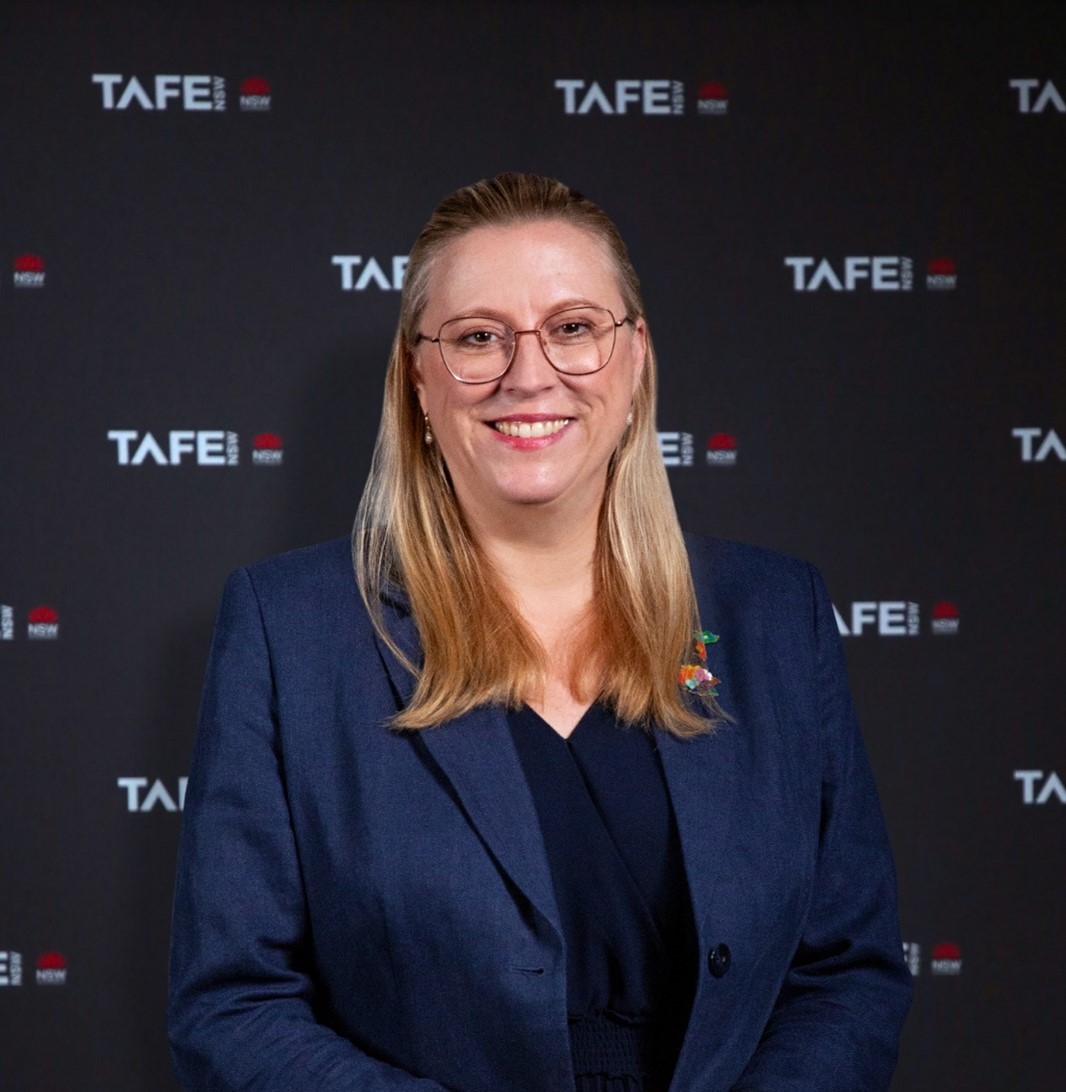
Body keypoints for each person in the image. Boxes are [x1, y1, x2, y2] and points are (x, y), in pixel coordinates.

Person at [168, 172, 912, 1091]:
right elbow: (233, 1006)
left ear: (636, 360)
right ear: (419, 379)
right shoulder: (292, 631)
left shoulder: (776, 615)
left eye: (573, 329)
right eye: (479, 338)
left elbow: (848, 974)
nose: (529, 373)